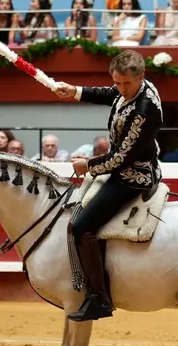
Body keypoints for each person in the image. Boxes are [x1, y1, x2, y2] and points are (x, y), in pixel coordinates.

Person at [52, 49, 164, 321]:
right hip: (123, 164)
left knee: (81, 226)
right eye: (118, 82)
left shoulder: (144, 110)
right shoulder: (133, 90)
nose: (121, 89)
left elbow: (123, 158)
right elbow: (109, 94)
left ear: (141, 77)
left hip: (132, 175)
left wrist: (88, 166)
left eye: (127, 83)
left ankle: (100, 299)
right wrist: (75, 91)